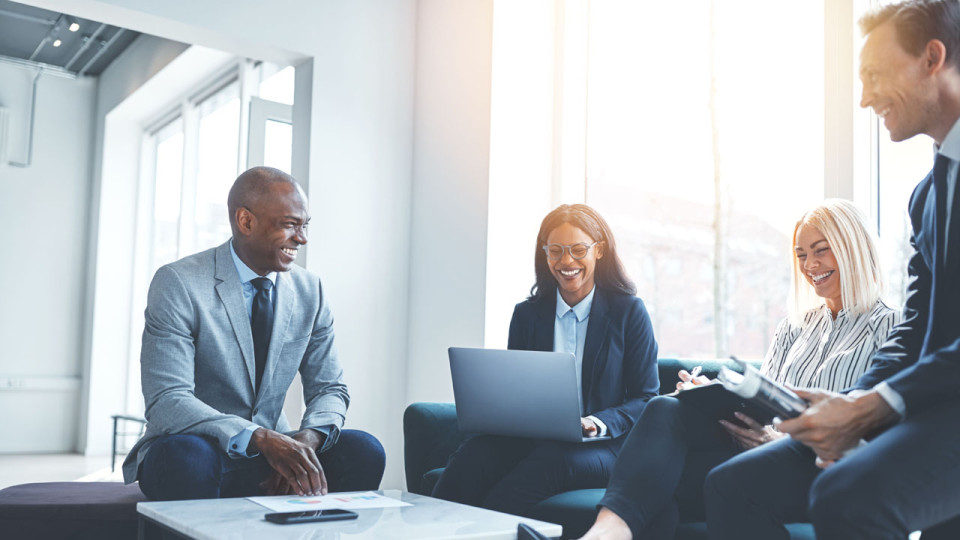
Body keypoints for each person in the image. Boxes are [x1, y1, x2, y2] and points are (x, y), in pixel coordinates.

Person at [703, 2, 960, 538]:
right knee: (732, 486)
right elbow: (916, 331)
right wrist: (847, 409)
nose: (864, 98)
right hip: (928, 407)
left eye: (874, 76)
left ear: (932, 59)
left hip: (940, 412)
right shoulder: (927, 194)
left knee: (848, 495)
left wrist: (872, 409)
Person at [579, 199, 898, 540]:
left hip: (820, 467)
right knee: (666, 408)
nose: (810, 265)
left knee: (664, 488)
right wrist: (710, 396)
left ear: (854, 250)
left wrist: (778, 441)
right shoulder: (795, 327)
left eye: (821, 250)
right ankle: (606, 533)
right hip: (756, 452)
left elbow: (880, 428)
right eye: (802, 254)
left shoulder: (890, 326)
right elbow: (765, 399)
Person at [121, 166, 386, 500]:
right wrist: (258, 437)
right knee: (187, 458)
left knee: (364, 449)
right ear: (245, 221)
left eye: (304, 226)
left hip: (275, 451)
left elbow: (330, 387)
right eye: (290, 225)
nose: (302, 238)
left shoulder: (309, 290)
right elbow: (167, 400)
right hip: (200, 448)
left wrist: (307, 441)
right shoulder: (180, 283)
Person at [431, 204, 660, 517]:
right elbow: (516, 390)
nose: (566, 261)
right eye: (556, 251)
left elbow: (645, 398)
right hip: (535, 439)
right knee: (475, 455)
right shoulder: (527, 315)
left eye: (578, 250)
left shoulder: (629, 312)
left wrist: (596, 422)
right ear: (545, 253)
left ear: (599, 251)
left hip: (605, 447)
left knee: (551, 462)